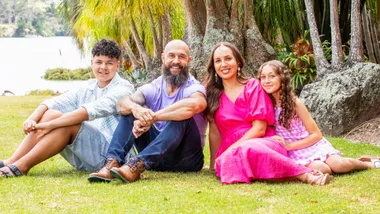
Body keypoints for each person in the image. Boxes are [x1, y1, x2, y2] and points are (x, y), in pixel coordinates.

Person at [0, 39, 136, 178]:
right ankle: (12, 161)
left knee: (70, 123)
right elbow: (54, 102)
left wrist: (50, 125)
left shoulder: (123, 88)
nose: (103, 67)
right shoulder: (88, 86)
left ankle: (21, 167)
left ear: (117, 65)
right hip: (86, 153)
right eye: (99, 62)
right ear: (92, 63)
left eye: (109, 63)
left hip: (110, 159)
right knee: (51, 113)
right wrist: (31, 119)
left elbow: (90, 111)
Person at [204, 42, 333, 185]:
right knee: (235, 161)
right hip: (232, 149)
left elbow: (259, 129)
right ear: (214, 67)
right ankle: (297, 173)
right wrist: (213, 162)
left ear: (238, 62)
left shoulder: (253, 86)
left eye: (228, 58)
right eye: (218, 61)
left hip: (264, 141)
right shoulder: (212, 94)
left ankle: (308, 176)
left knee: (249, 148)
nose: (223, 64)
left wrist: (232, 149)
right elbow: (214, 131)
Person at [88, 40, 207, 183]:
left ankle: (136, 165)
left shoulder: (193, 87)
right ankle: (112, 163)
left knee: (183, 117)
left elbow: (195, 104)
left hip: (186, 159)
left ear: (189, 60)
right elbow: (121, 104)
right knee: (131, 111)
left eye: (181, 57)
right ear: (163, 58)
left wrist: (154, 118)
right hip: (157, 159)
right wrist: (137, 110)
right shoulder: (154, 86)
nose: (176, 61)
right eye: (171, 56)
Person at [258, 60, 380, 174]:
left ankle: (367, 163)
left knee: (339, 165)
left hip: (309, 144)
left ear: (282, 78)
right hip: (292, 153)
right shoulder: (264, 104)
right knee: (323, 169)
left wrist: (290, 145)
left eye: (272, 76)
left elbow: (316, 134)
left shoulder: (295, 103)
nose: (267, 81)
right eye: (263, 77)